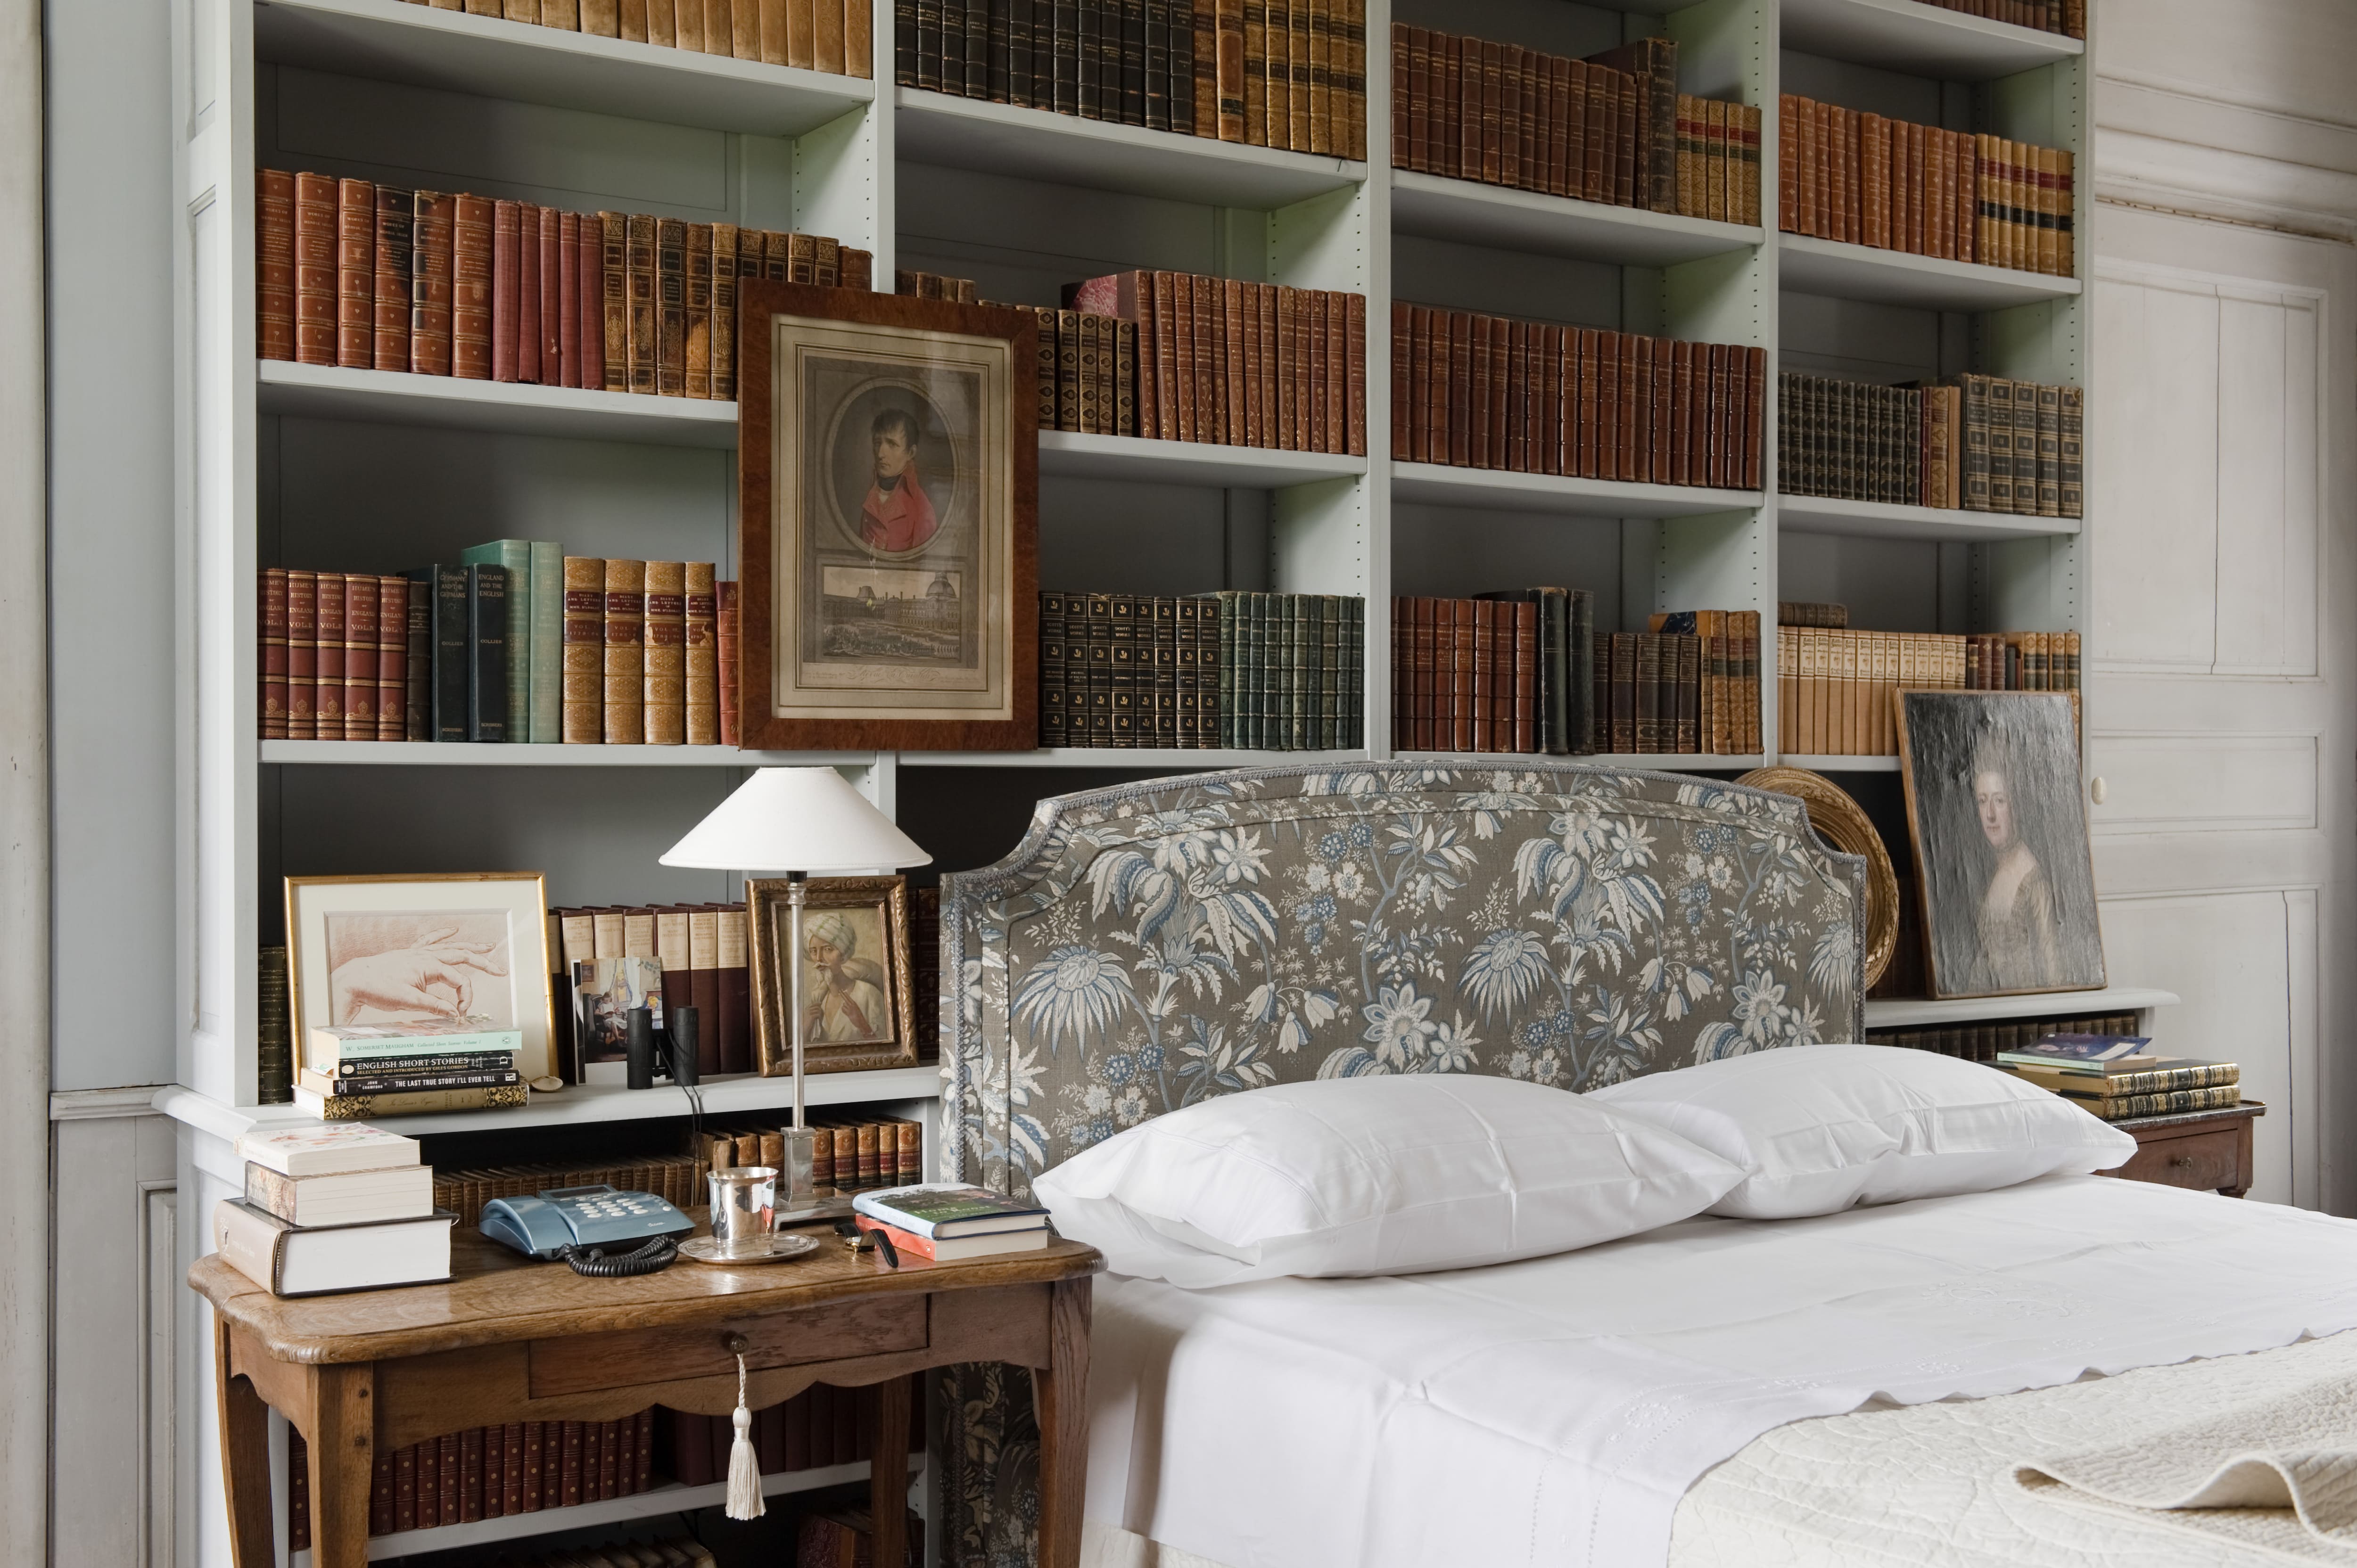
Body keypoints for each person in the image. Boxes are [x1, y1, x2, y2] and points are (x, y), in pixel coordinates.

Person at [1966, 736, 2064, 991]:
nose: (1990, 815)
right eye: (1982, 800)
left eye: (1999, 800)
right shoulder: (1990, 870)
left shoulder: (2034, 882)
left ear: (2015, 803)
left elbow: (2053, 973)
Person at [802, 910, 891, 1043]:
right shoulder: (817, 999)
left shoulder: (868, 994)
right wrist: (805, 1029)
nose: (819, 958)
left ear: (843, 955)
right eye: (814, 951)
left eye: (828, 950)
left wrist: (862, 1024)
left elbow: (887, 1049)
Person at [857, 406, 939, 553]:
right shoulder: (870, 495)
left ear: (911, 453)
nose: (881, 453)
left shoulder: (922, 510)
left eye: (892, 444)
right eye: (877, 443)